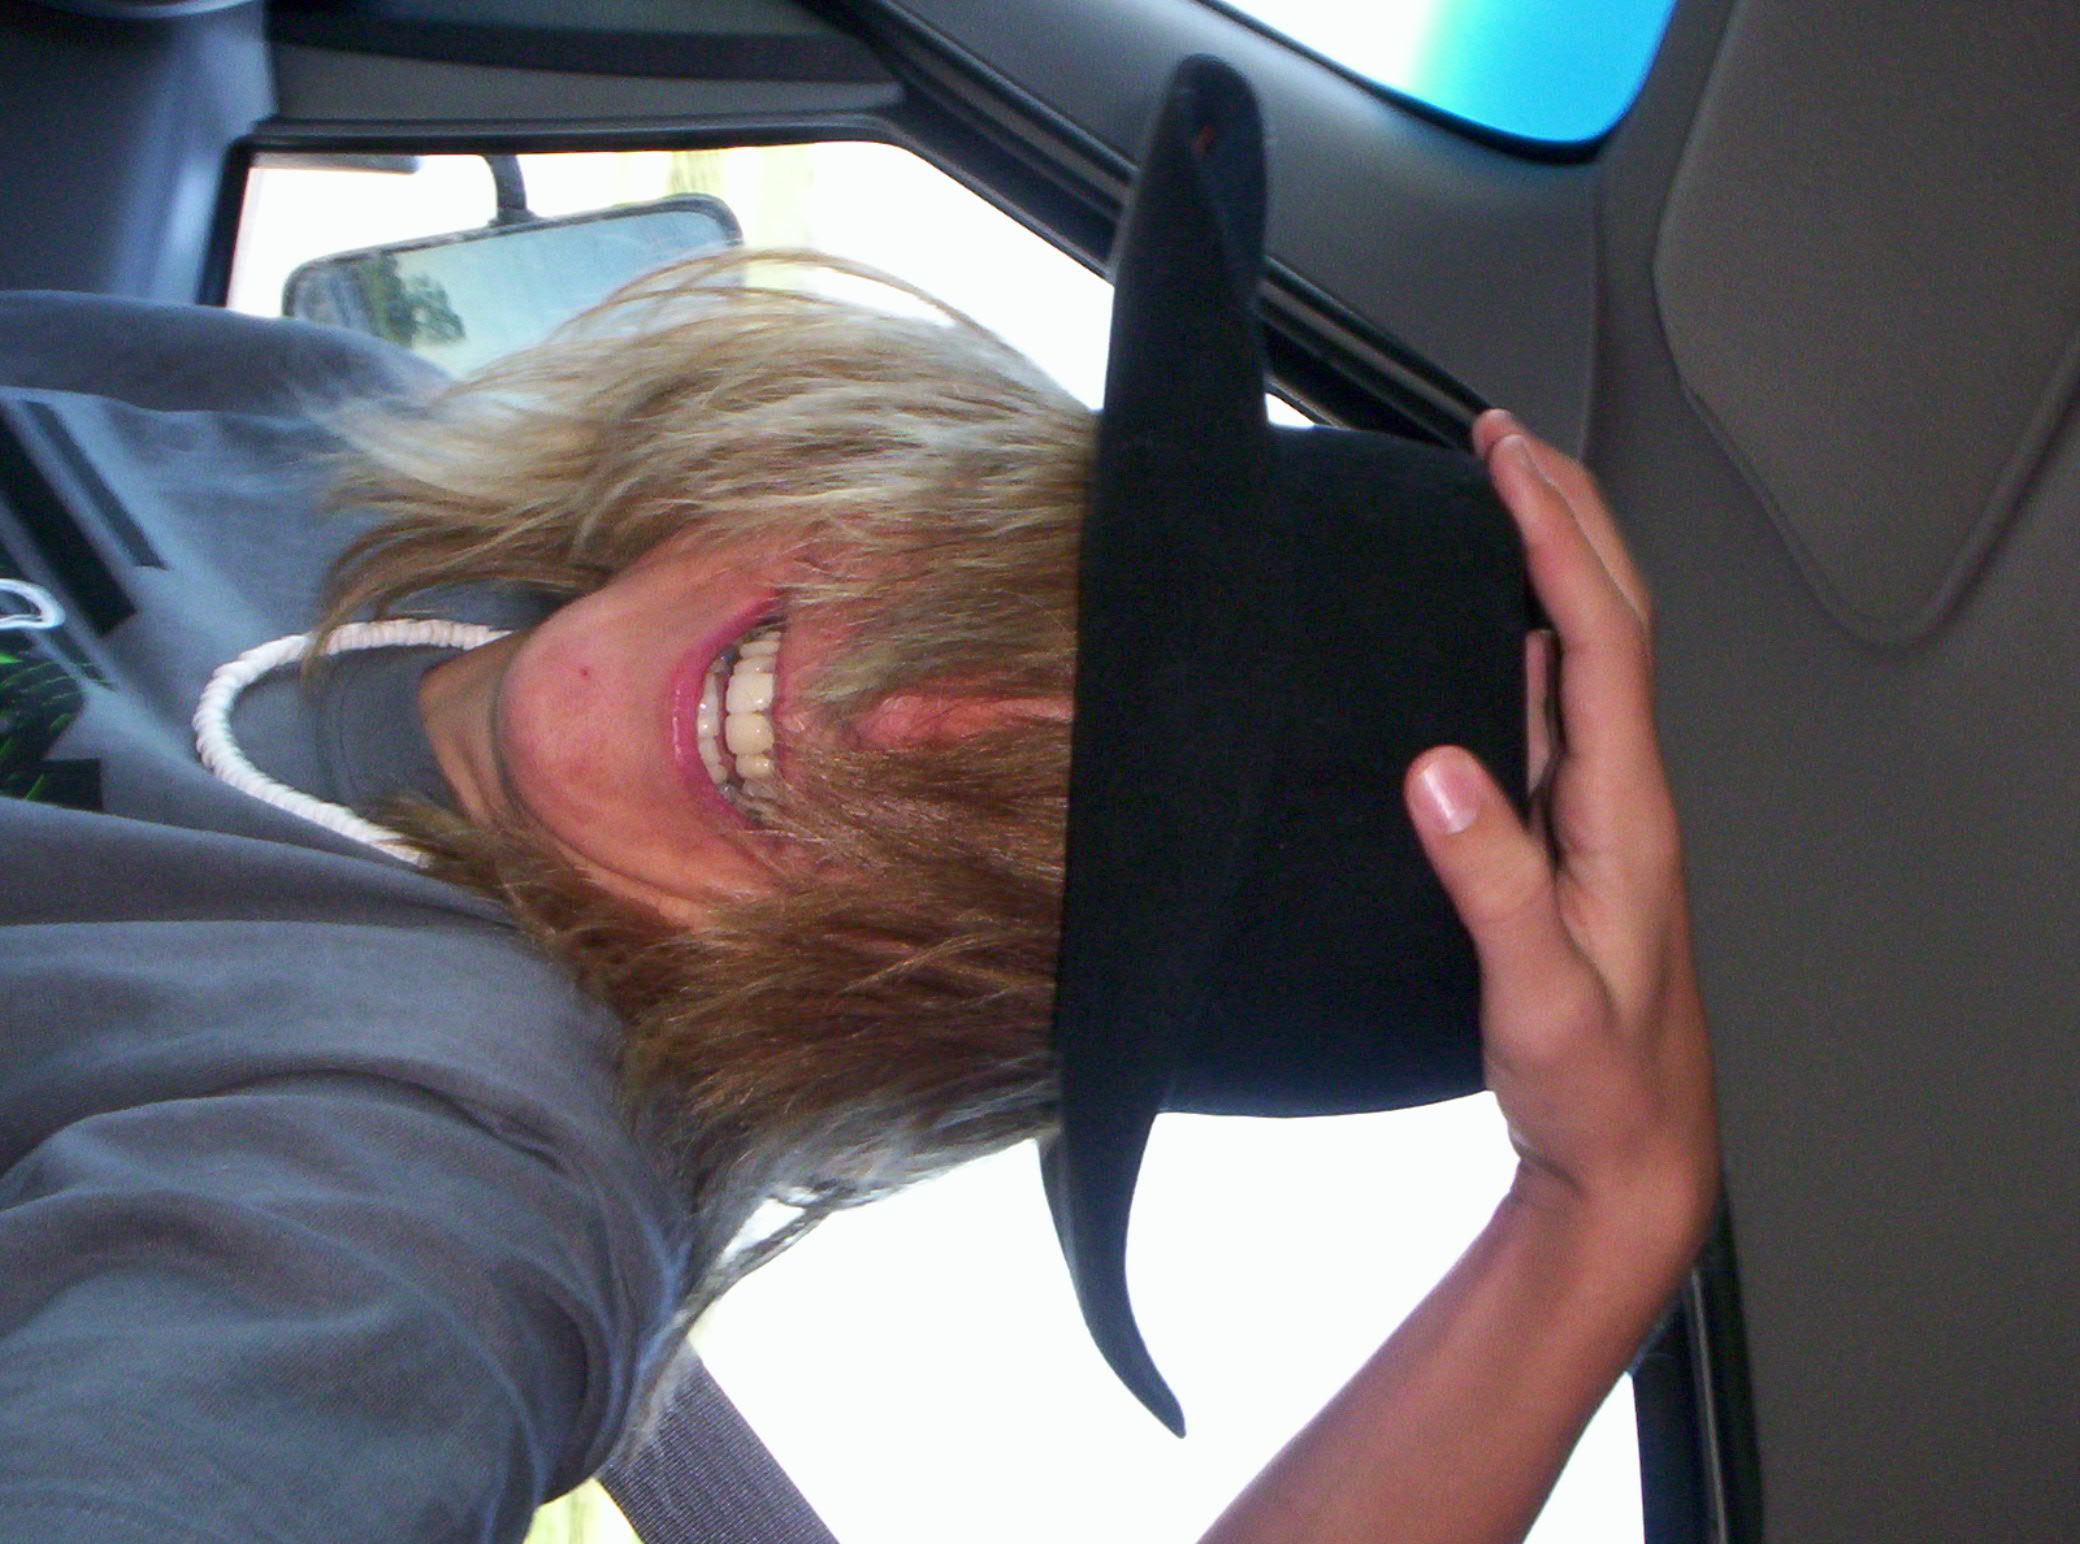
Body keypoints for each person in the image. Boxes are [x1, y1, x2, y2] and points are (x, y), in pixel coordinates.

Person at [0, 68, 1713, 1544]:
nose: (885, 712)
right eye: (1017, 599)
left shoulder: (443, 1190)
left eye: (1000, 834)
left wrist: (1598, 1225)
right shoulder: (350, 431)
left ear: (893, 1024)